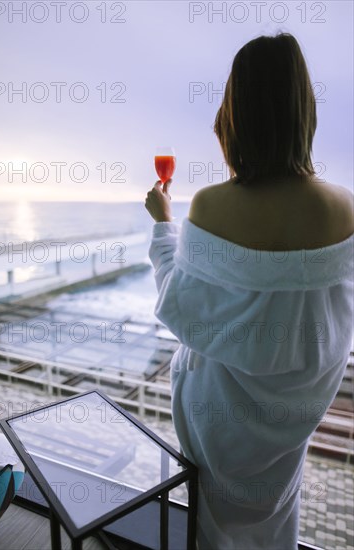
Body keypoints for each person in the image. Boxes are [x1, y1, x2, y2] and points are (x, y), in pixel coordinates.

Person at [144, 32, 353, 550]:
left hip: (219, 420)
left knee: (208, 526)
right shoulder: (345, 209)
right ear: (303, 109)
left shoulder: (213, 206)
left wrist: (161, 225)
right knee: (274, 517)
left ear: (236, 112)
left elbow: (179, 302)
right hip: (293, 419)